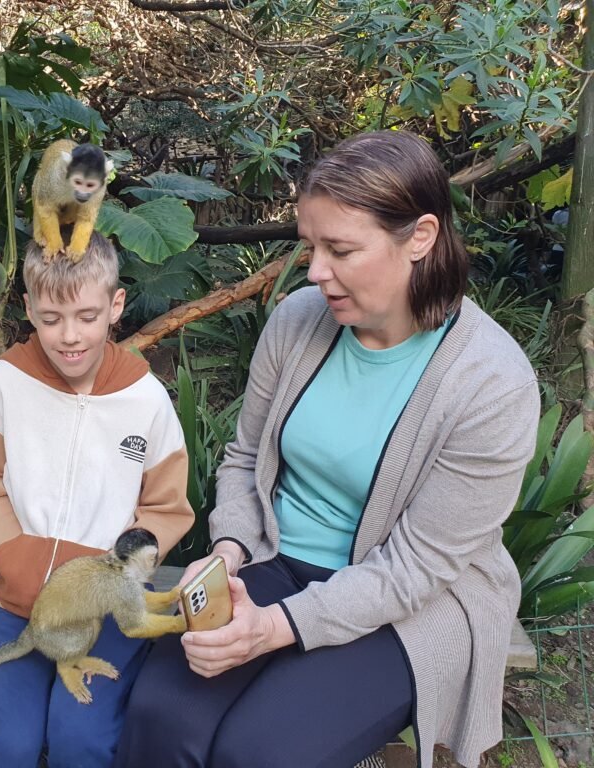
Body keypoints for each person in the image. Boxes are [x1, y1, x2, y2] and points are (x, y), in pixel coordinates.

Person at [114, 131, 540, 768]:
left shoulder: (491, 384)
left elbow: (416, 570)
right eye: (311, 246)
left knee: (258, 753)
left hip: (408, 604)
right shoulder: (298, 320)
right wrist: (228, 556)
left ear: (420, 237)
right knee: (160, 715)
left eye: (340, 250)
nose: (314, 271)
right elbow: (245, 457)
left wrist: (272, 629)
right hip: (274, 559)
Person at [0, 232, 195, 768]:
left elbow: (166, 508)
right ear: (29, 310)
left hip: (107, 607)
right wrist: (18, 560)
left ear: (116, 306)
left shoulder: (146, 398)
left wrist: (120, 572)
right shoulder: (6, 384)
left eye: (87, 317)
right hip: (16, 602)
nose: (69, 336)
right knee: (8, 743)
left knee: (81, 740)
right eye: (51, 319)